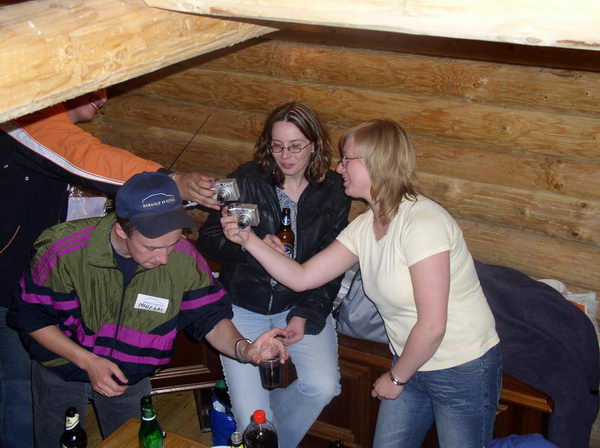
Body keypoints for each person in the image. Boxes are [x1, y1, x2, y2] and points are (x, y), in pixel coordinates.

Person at [219, 119, 502, 448]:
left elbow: (433, 325)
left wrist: (396, 378)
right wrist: (248, 239)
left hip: (461, 369)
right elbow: (302, 277)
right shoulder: (365, 226)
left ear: (377, 162)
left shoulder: (423, 222)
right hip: (411, 360)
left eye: (346, 160)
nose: (339, 168)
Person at [0, 90, 220, 448]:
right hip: (9, 276)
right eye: (94, 88)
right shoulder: (22, 112)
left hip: (31, 270)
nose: (102, 98)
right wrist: (169, 179)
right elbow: (81, 155)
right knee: (20, 387)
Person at [7, 172, 287, 448]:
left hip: (128, 375)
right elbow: (31, 318)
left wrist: (244, 348)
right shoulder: (63, 249)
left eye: (172, 243)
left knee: (131, 442)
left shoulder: (184, 259)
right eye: (152, 247)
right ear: (121, 230)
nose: (164, 258)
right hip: (60, 367)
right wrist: (89, 362)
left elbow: (210, 318)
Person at [197, 102, 350, 448]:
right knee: (255, 420)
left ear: (315, 144)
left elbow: (332, 266)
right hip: (243, 305)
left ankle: (268, 430)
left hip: (300, 301)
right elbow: (208, 239)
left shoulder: (335, 190)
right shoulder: (244, 179)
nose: (285, 155)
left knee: (324, 386)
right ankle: (261, 427)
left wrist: (306, 314)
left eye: (296, 146)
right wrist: (248, 245)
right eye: (277, 146)